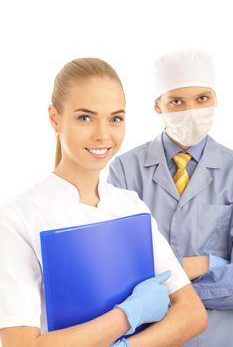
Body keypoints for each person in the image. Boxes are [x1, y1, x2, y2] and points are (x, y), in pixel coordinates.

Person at [0, 57, 207, 347]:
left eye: (115, 118)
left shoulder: (131, 206)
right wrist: (126, 315)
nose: (103, 134)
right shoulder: (18, 218)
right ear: (55, 118)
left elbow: (193, 314)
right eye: (85, 117)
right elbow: (21, 344)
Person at [108, 49, 233, 347]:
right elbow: (118, 273)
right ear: (157, 106)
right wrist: (205, 265)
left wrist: (160, 294)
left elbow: (138, 285)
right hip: (148, 338)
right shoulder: (125, 169)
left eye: (202, 99)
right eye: (176, 101)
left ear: (215, 99)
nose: (191, 110)